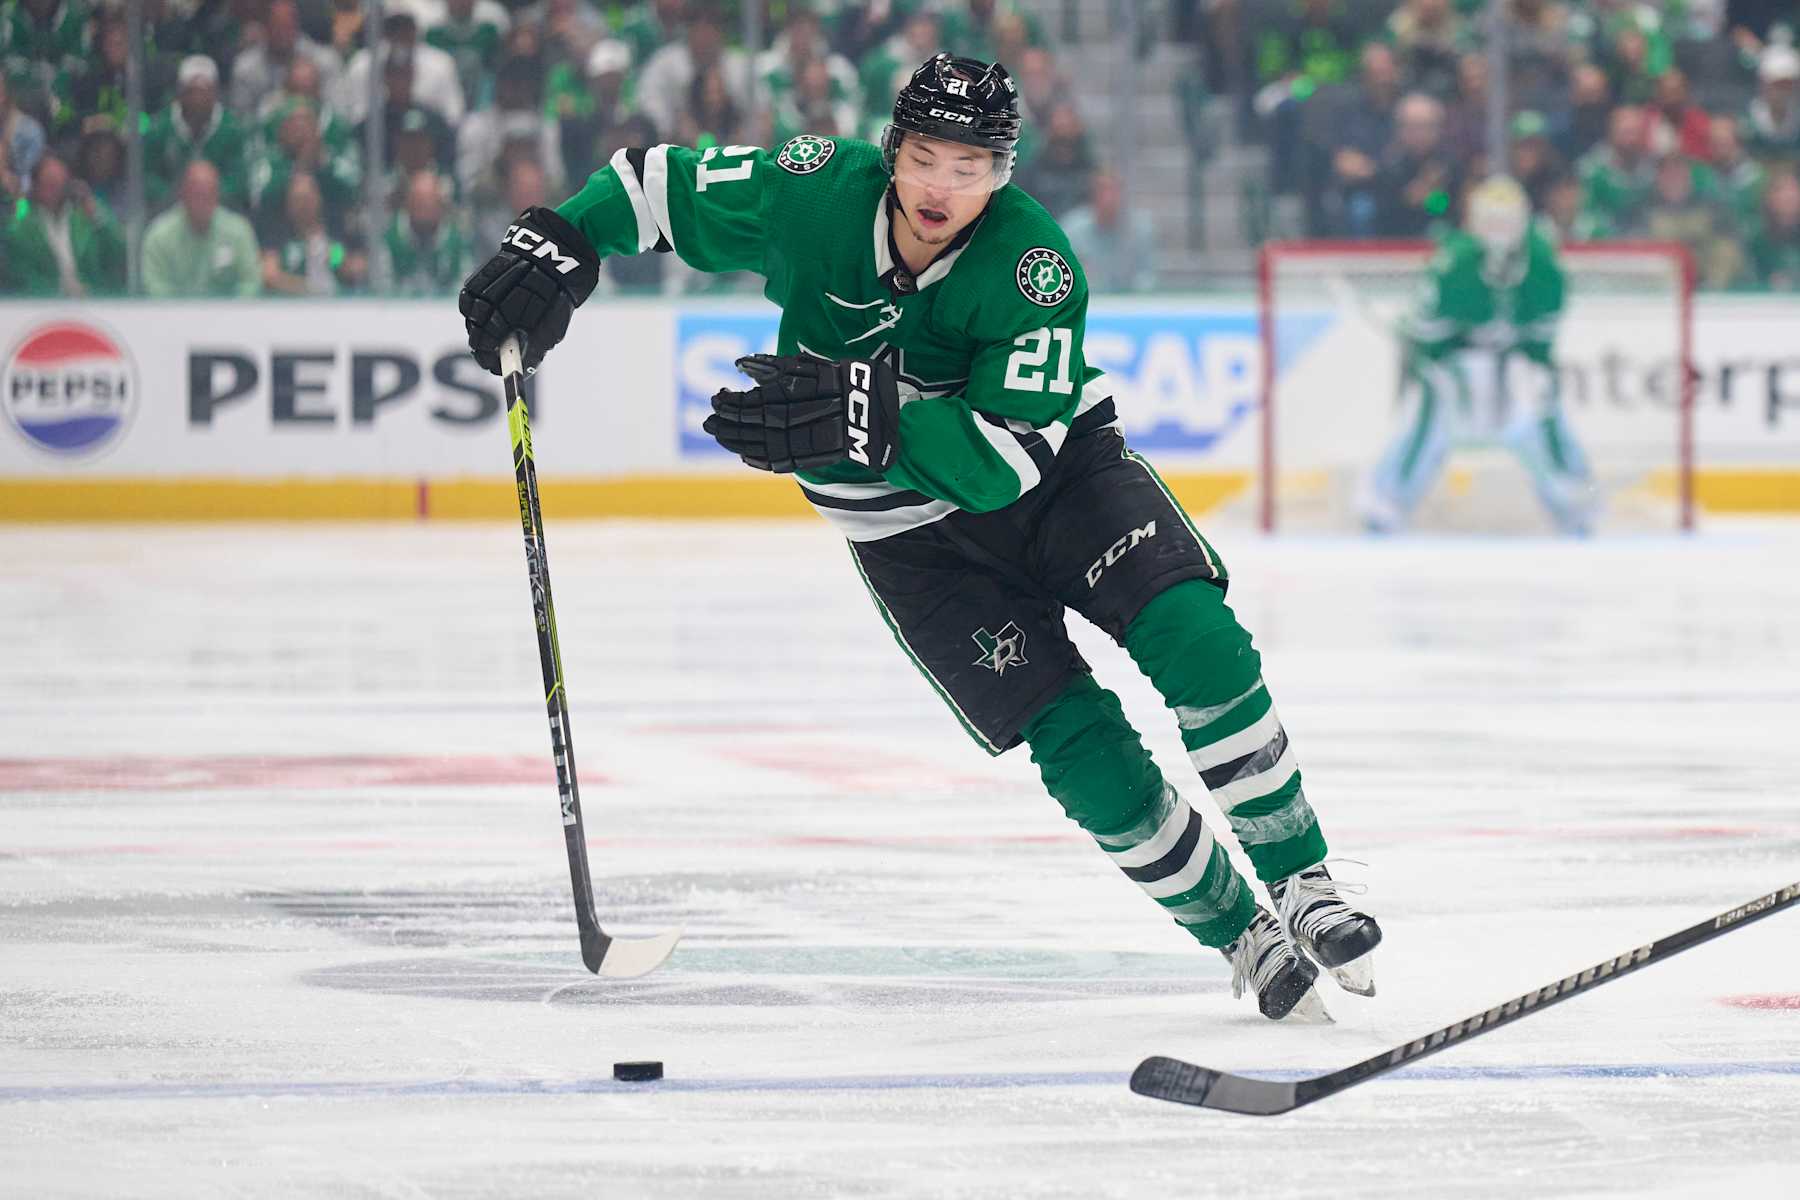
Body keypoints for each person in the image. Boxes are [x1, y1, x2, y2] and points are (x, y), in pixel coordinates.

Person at [459, 53, 1383, 1022]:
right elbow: (656, 188)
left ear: (1004, 174)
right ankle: (1241, 933)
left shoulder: (1034, 266)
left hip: (1060, 485)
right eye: (926, 158)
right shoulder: (815, 191)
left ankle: (1304, 884)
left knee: (1193, 633)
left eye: (971, 167)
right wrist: (561, 241)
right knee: (1073, 740)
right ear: (892, 150)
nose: (943, 187)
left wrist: (871, 413)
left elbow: (1005, 463)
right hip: (906, 538)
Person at [1359, 176, 1592, 535]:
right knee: (1429, 415)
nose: (1499, 231)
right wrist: (1437, 366)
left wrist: (1535, 370)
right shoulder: (1454, 262)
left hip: (1514, 364)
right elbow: (1429, 337)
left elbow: (1541, 345)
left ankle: (1573, 501)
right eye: (1491, 221)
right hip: (1457, 363)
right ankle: (1386, 503)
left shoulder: (1544, 264)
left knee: (1542, 407)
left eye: (1506, 221)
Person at [0, 153, 125, 296]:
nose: (55, 190)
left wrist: (96, 216)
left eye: (59, 183)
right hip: (43, 301)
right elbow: (21, 276)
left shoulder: (86, 214)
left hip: (94, 298)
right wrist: (60, 293)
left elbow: (117, 253)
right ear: (36, 185)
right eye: (49, 184)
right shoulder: (23, 225)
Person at [142, 158, 262, 297]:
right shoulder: (159, 237)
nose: (203, 202)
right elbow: (155, 288)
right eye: (197, 195)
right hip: (174, 310)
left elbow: (251, 282)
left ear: (217, 195)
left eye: (209, 194)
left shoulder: (239, 232)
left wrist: (232, 308)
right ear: (183, 194)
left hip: (228, 310)